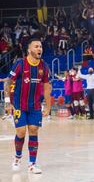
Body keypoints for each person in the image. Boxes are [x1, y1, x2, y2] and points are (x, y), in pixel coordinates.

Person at [4, 38, 52, 174]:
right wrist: (8, 102)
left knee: (33, 130)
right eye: (36, 46)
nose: (39, 49)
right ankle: (17, 157)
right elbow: (7, 83)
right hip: (19, 105)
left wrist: (48, 107)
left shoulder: (44, 67)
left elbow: (47, 88)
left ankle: (32, 164)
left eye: (41, 47)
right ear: (29, 50)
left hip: (35, 106)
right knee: (21, 132)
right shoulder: (20, 64)